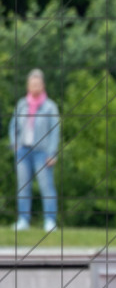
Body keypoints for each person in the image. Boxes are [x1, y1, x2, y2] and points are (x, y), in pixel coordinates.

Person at [8, 69, 61, 232]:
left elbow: (55, 131)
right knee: (23, 186)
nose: (34, 86)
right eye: (32, 84)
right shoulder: (22, 104)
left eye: (37, 84)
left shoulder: (50, 106)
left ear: (43, 85)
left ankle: (50, 221)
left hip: (42, 152)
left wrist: (52, 153)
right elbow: (13, 127)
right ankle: (23, 220)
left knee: (47, 187)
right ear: (28, 86)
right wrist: (15, 145)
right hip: (23, 151)